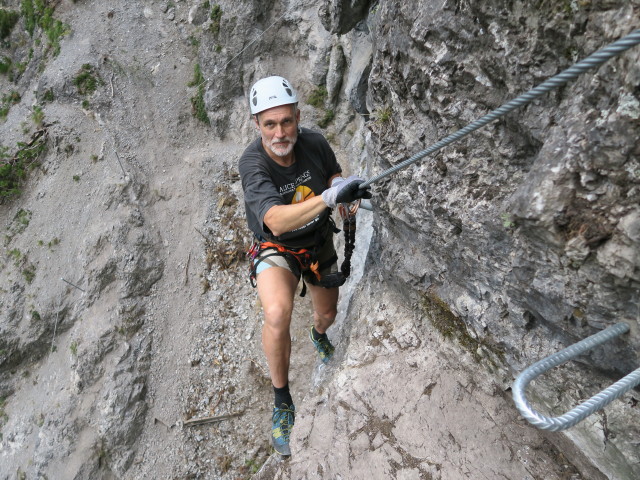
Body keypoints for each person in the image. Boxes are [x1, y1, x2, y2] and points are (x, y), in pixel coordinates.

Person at [238, 75, 371, 456]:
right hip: (278, 249)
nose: (280, 133)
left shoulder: (312, 142)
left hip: (317, 242)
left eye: (286, 121)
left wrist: (342, 186)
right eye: (269, 124)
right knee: (277, 312)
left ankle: (317, 335)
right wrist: (331, 196)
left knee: (326, 314)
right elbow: (276, 220)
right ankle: (282, 403)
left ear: (298, 116)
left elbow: (332, 172)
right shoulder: (252, 162)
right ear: (257, 125)